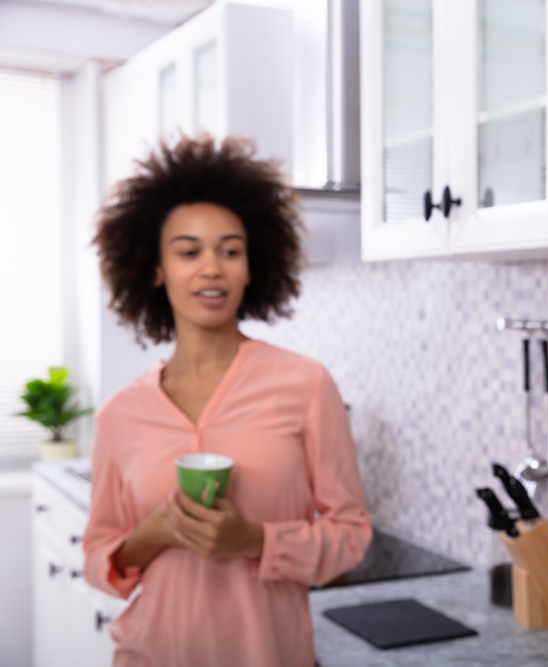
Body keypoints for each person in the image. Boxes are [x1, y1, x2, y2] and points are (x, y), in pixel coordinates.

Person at [82, 135, 372, 667]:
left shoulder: (305, 385)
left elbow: (350, 539)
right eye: (188, 252)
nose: (211, 267)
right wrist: (155, 533)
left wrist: (255, 541)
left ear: (252, 266)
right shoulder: (120, 416)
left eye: (230, 250)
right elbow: (101, 560)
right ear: (155, 269)